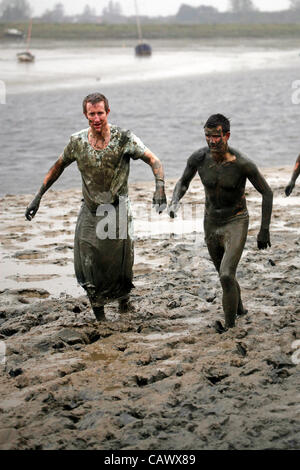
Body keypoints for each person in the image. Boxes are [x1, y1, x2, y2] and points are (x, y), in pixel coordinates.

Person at [25, 92, 167, 321]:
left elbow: (154, 160)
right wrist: (38, 196)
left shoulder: (124, 138)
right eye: (92, 114)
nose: (97, 118)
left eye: (100, 112)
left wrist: (159, 186)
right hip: (90, 211)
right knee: (88, 263)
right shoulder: (77, 142)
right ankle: (99, 315)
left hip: (117, 209)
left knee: (121, 263)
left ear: (107, 112)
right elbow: (57, 167)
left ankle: (124, 302)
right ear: (85, 115)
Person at [168, 114, 273, 332]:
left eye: (216, 136)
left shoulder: (242, 164)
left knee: (226, 274)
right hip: (211, 222)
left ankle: (230, 327)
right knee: (224, 275)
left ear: (226, 135)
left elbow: (267, 193)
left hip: (236, 220)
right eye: (208, 136)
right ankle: (240, 309)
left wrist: (264, 231)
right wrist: (174, 200)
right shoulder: (199, 158)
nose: (212, 141)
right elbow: (183, 182)